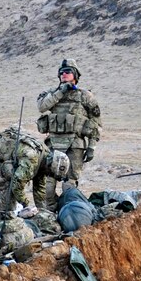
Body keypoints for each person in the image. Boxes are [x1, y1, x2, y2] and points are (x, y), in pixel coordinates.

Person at [37, 59, 101, 188]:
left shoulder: (85, 96)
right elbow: (42, 107)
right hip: (54, 144)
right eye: (61, 72)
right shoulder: (51, 94)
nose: (63, 74)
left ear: (75, 75)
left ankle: (68, 207)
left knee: (69, 185)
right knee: (48, 186)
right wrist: (61, 91)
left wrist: (91, 147)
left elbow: (96, 121)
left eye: (67, 72)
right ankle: (51, 208)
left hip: (75, 145)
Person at [0, 127, 48, 210]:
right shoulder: (32, 158)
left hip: (4, 155)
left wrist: (43, 211)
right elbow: (17, 186)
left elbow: (39, 190)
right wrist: (27, 205)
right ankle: (2, 215)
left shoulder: (43, 160)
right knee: (8, 185)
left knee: (10, 178)